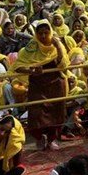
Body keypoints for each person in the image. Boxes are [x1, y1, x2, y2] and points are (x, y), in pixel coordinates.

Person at [13, 19, 69, 150]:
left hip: (56, 83)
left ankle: (52, 139)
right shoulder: (31, 47)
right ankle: (39, 138)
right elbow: (18, 66)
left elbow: (63, 65)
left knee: (57, 111)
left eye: (46, 32)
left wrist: (58, 46)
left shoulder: (57, 44)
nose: (43, 36)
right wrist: (32, 70)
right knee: (36, 112)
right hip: (37, 84)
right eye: (40, 33)